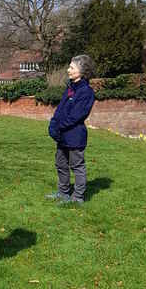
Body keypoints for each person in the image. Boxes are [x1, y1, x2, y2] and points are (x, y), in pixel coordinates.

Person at [47, 54, 96, 204]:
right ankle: (63, 193)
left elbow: (76, 116)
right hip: (63, 136)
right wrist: (53, 124)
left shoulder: (86, 92)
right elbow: (60, 110)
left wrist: (59, 126)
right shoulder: (70, 88)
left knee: (77, 166)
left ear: (82, 71)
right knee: (61, 163)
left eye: (71, 67)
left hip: (74, 136)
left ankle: (78, 197)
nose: (68, 70)